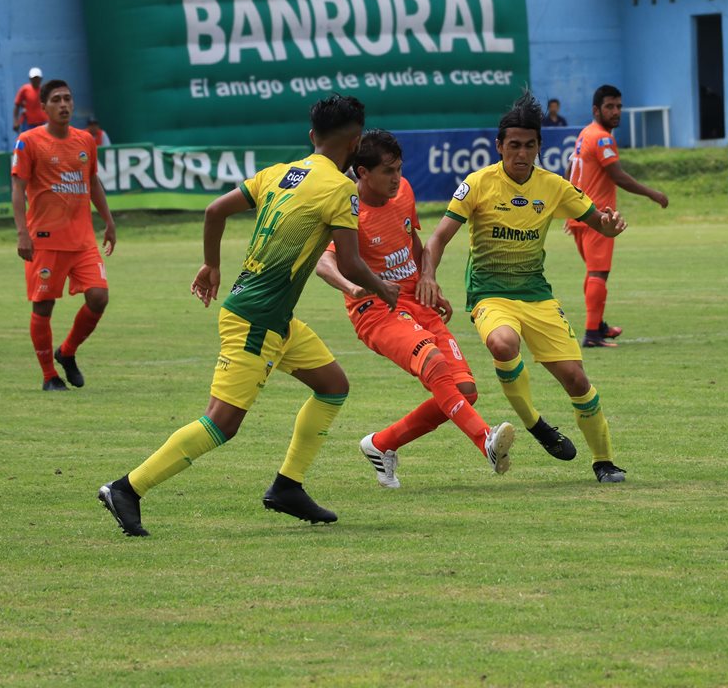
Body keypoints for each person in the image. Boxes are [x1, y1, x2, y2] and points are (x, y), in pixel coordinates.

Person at [97, 95, 400, 537]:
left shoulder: (279, 173)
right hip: (257, 320)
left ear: (312, 136)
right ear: (356, 143)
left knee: (333, 386)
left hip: (273, 318)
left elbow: (214, 210)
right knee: (221, 423)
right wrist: (382, 287)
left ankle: (288, 486)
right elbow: (351, 264)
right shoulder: (339, 190)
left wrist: (211, 264)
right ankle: (127, 488)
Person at [417, 89, 629, 483]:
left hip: (537, 296)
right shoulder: (478, 184)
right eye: (513, 145)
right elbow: (438, 237)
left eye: (529, 146)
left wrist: (609, 223)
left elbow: (597, 219)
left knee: (577, 380)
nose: (521, 153)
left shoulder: (552, 186)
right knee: (502, 343)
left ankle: (604, 462)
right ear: (499, 146)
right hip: (490, 294)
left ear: (538, 147)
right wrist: (428, 274)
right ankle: (536, 424)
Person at [314, 130, 516, 488]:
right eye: (388, 171)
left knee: (464, 392)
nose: (397, 178)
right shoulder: (347, 209)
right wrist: (350, 286)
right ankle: (485, 439)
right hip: (375, 310)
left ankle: (381, 444)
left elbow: (411, 238)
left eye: (399, 169)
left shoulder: (404, 191)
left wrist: (428, 278)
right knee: (434, 362)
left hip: (415, 300)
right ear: (362, 173)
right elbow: (324, 263)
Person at [11, 79, 116, 391]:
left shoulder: (85, 141)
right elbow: (17, 189)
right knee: (43, 307)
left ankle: (67, 352)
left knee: (99, 297)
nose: (64, 105)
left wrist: (108, 221)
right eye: (56, 100)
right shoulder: (28, 142)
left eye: (68, 99)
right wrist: (22, 233)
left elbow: (93, 181)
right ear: (43, 107)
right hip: (44, 239)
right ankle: (49, 376)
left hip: (82, 239)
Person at [567, 84, 668, 348]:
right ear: (596, 109)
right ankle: (592, 335)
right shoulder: (601, 137)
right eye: (610, 106)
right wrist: (653, 193)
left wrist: (570, 210)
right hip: (599, 217)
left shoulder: (585, 134)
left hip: (581, 214)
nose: (616, 111)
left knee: (593, 273)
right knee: (599, 273)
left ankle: (598, 324)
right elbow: (617, 175)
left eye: (619, 106)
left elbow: (570, 166)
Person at [13, 67, 48, 134]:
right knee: (27, 142)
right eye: (33, 78)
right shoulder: (25, 89)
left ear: (41, 79)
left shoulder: (44, 90)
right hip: (28, 123)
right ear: (30, 79)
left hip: (42, 122)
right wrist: (15, 121)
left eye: (37, 78)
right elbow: (17, 105)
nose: (35, 80)